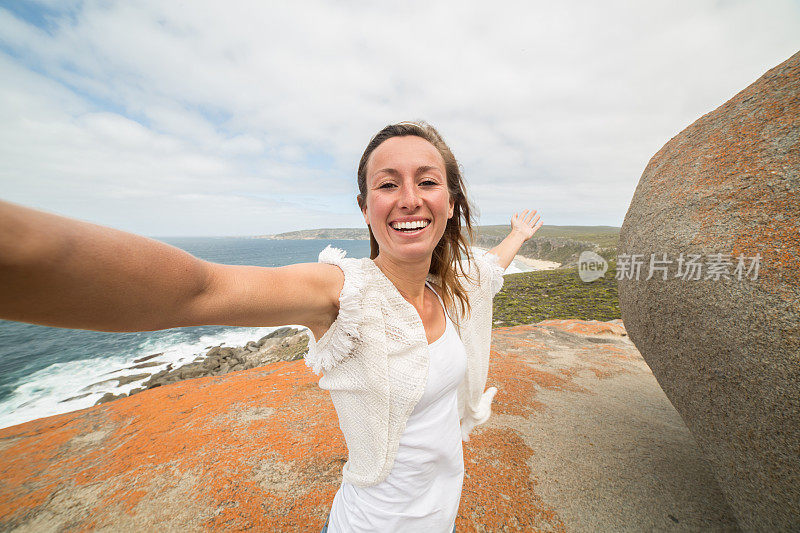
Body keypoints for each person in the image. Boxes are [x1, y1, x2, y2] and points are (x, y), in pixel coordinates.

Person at [0, 120, 542, 532]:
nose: (409, 198)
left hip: (442, 506)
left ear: (450, 203)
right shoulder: (340, 292)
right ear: (364, 206)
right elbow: (200, 289)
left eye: (427, 182)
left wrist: (518, 234)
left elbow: (489, 268)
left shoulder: (448, 287)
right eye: (387, 184)